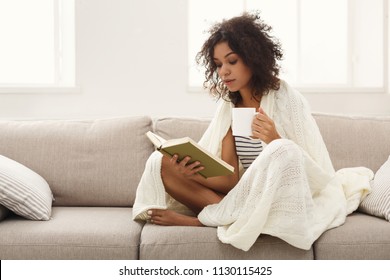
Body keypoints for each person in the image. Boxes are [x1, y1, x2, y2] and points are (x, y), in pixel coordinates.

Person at [132, 12, 371, 251]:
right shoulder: (230, 107)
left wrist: (273, 138)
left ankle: (200, 222)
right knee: (160, 161)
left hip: (279, 196)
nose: (224, 71)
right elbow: (230, 180)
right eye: (218, 65)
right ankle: (229, 218)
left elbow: (310, 172)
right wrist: (192, 172)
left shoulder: (286, 98)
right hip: (243, 197)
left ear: (252, 58)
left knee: (283, 149)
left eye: (232, 61)